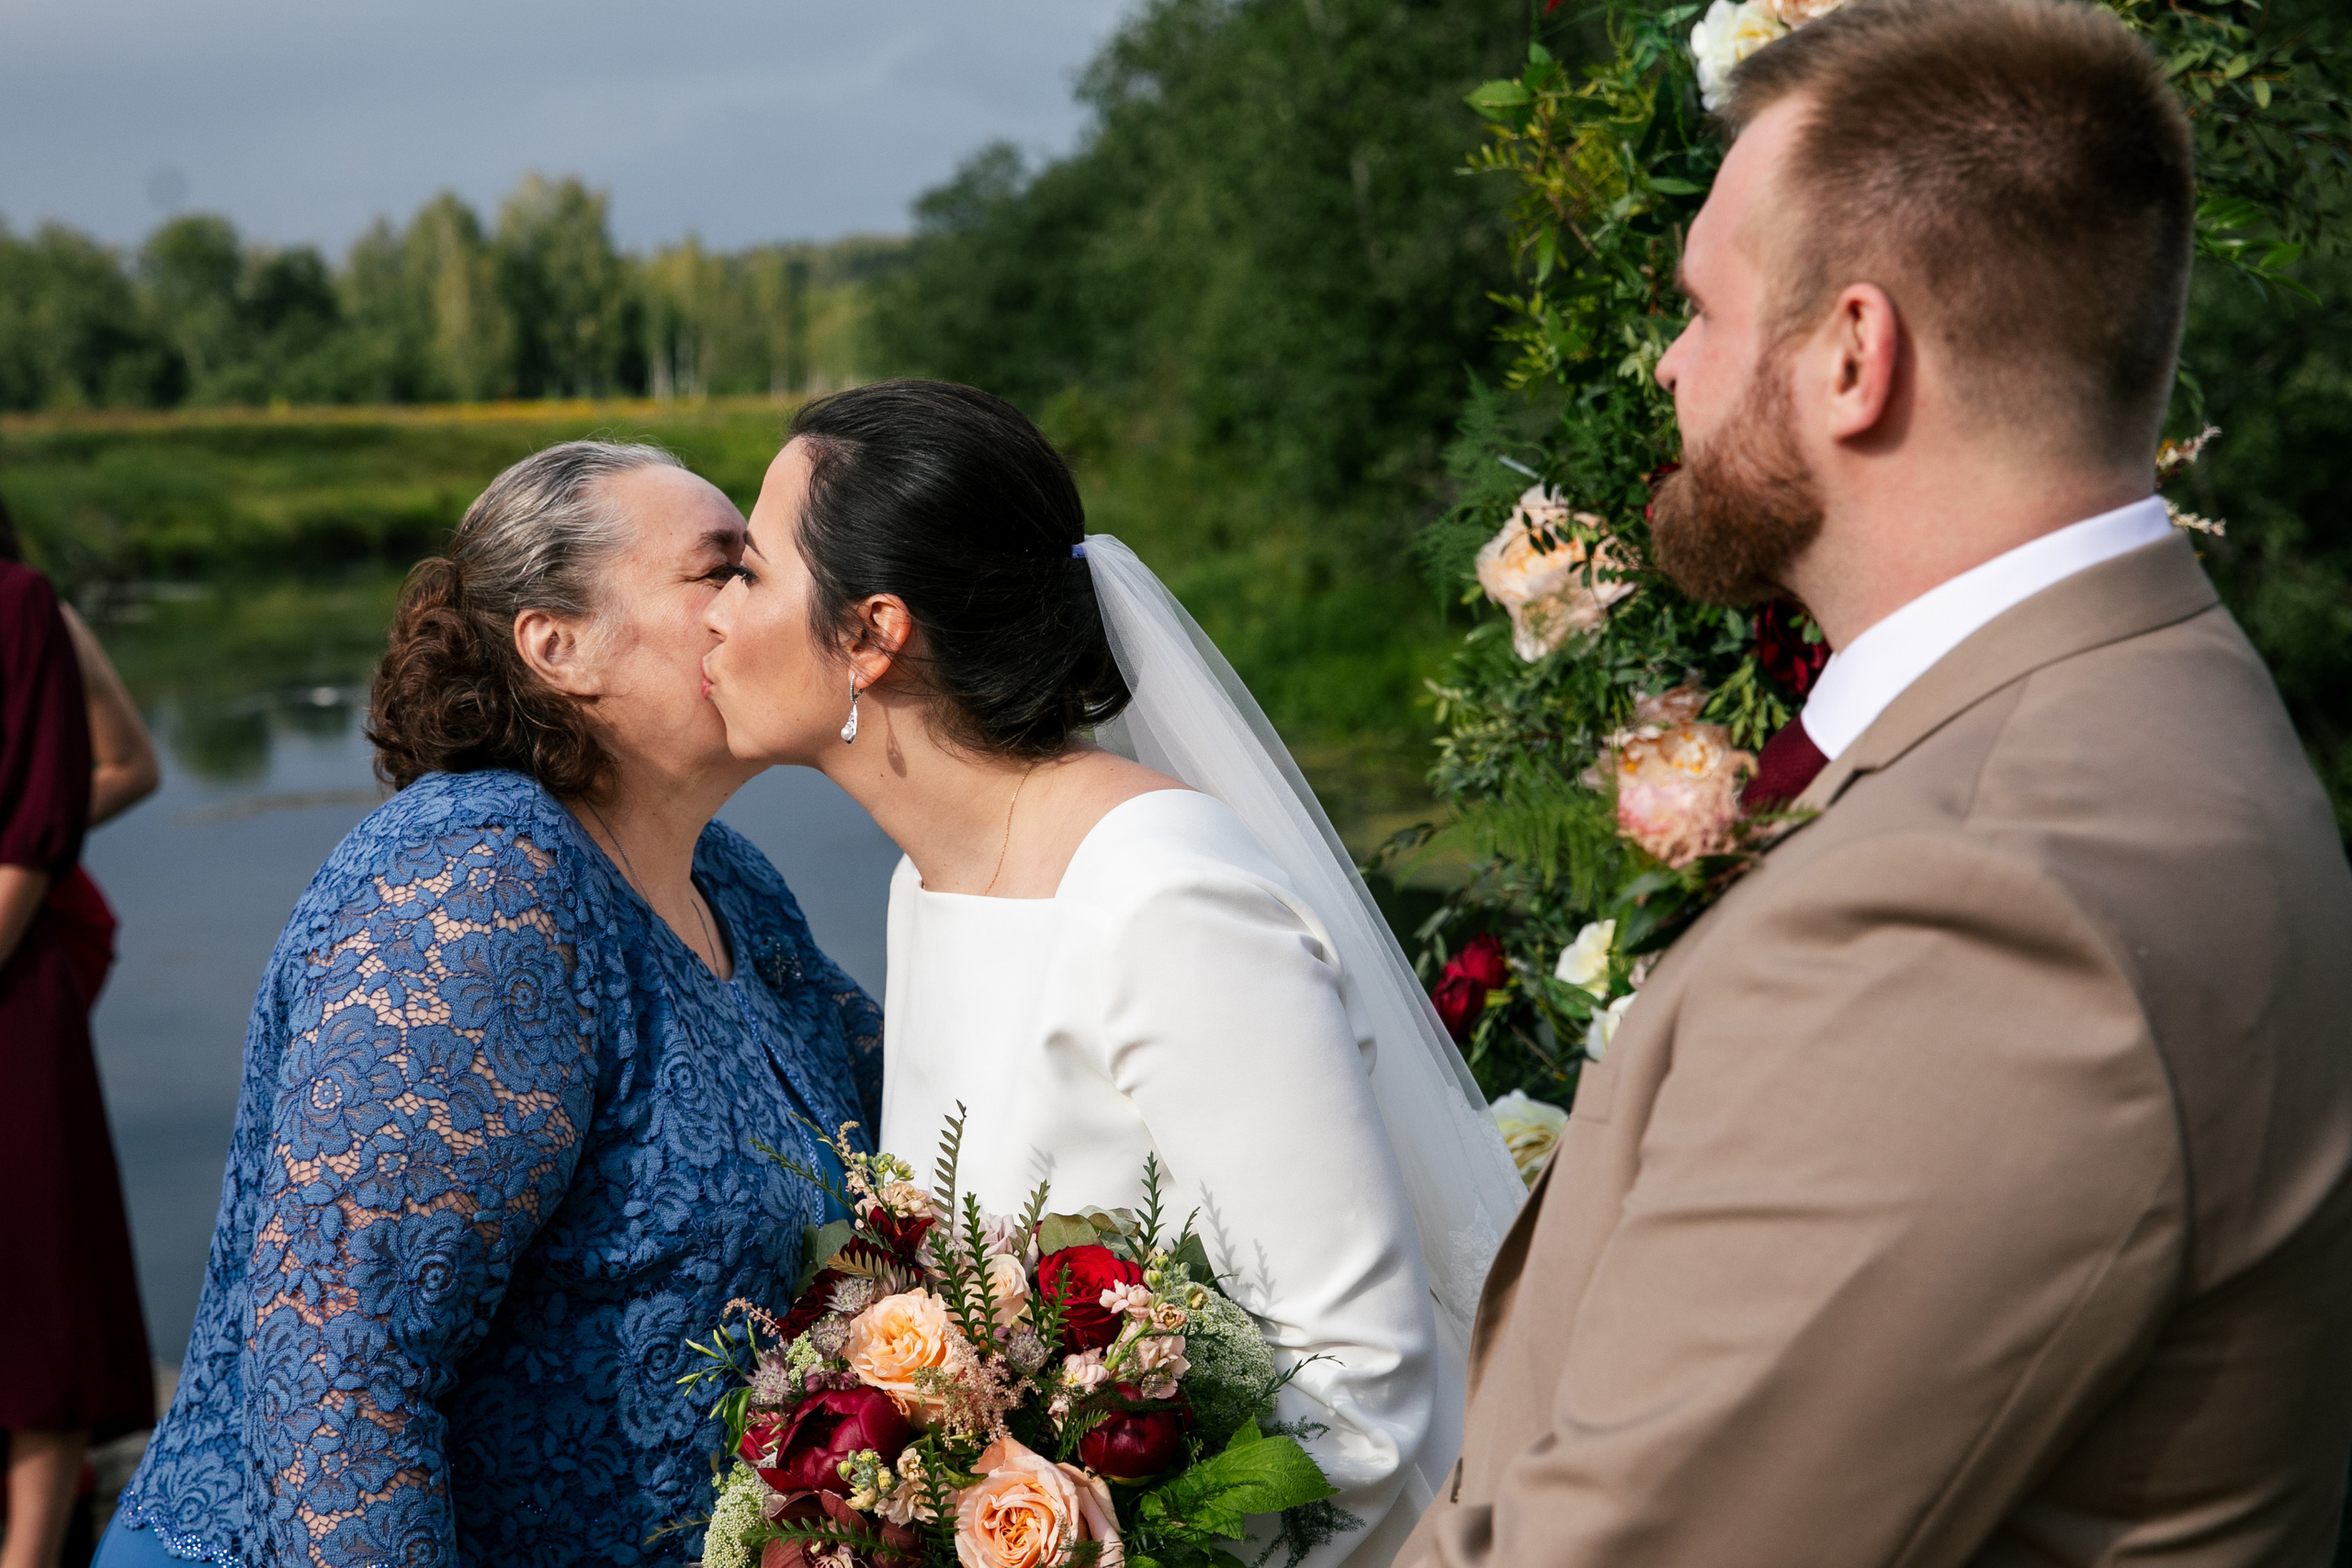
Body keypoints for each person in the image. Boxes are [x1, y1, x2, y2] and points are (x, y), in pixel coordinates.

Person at [1403, 1, 2352, 1564]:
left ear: (1854, 354)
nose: (1669, 363)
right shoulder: (2138, 704)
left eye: (1703, 309)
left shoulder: (1979, 906)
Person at [701, 379, 1526, 1568]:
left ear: (874, 632)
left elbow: (1359, 1389)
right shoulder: (926, 882)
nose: (715, 617)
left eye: (752, 571)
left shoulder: (1163, 897)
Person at [99, 442, 884, 1567]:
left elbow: (923, 1112)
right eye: (721, 571)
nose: (758, 607)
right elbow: (336, 1363)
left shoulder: (731, 881)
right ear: (557, 647)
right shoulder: (479, 881)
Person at [0, 502, 157, 1568]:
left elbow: (128, 763)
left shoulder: (22, 609)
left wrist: (39, 825)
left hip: (14, 962)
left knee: (37, 1287)